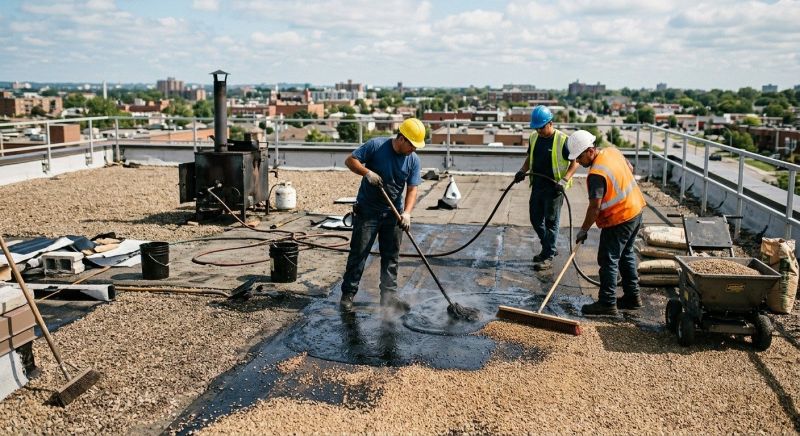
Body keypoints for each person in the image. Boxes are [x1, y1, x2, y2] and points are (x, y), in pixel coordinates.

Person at [339, 117, 425, 312]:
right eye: (412, 145)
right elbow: (350, 160)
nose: (414, 149)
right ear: (401, 138)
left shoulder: (413, 160)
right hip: (368, 211)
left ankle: (389, 298)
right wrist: (367, 173)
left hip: (393, 215)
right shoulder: (376, 146)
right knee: (358, 254)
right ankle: (348, 295)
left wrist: (407, 213)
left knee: (391, 257)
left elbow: (412, 188)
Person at [567, 130, 646, 316]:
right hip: (636, 209)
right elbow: (630, 168)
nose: (578, 162)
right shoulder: (612, 152)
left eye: (580, 158)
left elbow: (595, 207)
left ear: (589, 151)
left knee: (608, 259)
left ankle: (607, 303)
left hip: (619, 218)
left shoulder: (596, 174)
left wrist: (583, 230)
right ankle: (632, 297)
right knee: (626, 254)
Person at [513, 105, 580, 271]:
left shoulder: (563, 140)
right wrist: (522, 171)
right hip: (537, 184)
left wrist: (565, 180)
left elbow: (576, 161)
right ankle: (549, 247)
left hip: (555, 188)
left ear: (550, 123)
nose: (539, 131)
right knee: (535, 219)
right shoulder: (534, 138)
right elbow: (530, 157)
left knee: (551, 222)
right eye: (536, 128)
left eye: (541, 127)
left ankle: (548, 255)